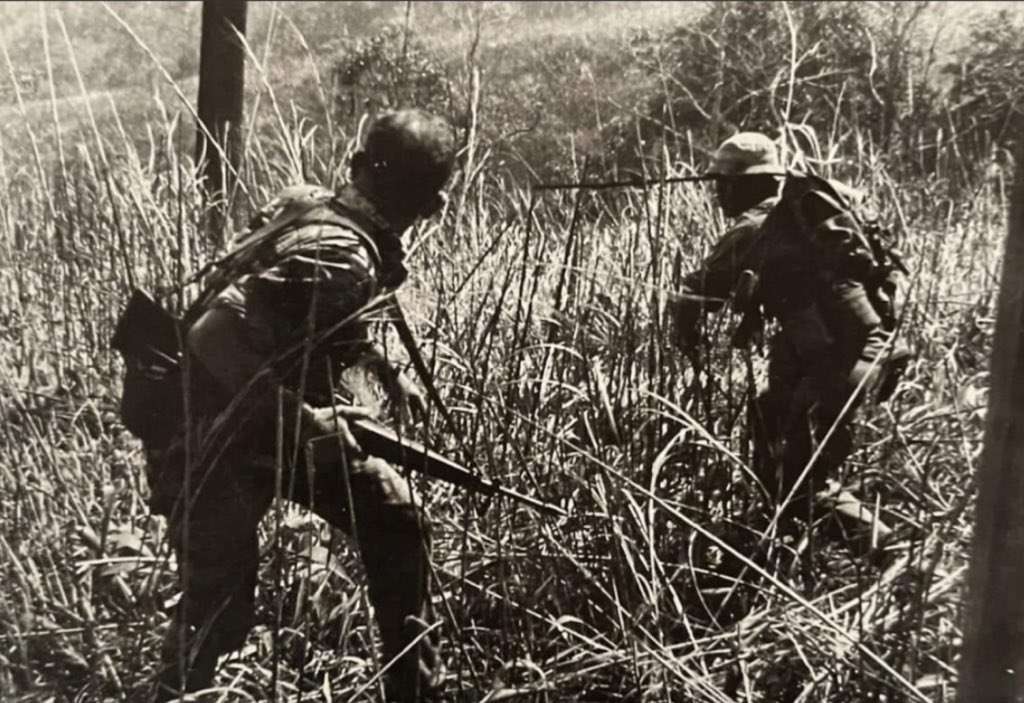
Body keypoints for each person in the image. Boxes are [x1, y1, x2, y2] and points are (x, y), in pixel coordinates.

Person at [146, 109, 456, 702]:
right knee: (217, 607)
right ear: (433, 204)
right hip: (213, 435)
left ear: (357, 165)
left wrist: (382, 371)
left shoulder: (308, 202)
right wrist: (307, 421)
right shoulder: (346, 255)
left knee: (396, 520)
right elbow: (211, 335)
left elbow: (298, 316)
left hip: (257, 422)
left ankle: (416, 693)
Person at [669, 132, 908, 555]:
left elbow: (693, 296)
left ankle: (901, 561)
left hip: (837, 364)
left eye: (724, 183)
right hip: (870, 351)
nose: (718, 193)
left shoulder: (753, 228)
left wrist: (687, 339)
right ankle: (783, 543)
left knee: (807, 486)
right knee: (769, 417)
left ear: (747, 185)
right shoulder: (818, 211)